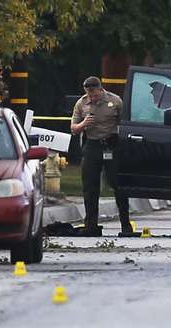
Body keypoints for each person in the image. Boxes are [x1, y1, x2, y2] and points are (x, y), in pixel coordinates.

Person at [70, 76, 131, 236]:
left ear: (100, 89)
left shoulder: (115, 101)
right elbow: (73, 128)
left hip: (111, 144)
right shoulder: (81, 103)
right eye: (89, 95)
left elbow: (125, 123)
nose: (92, 98)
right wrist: (83, 124)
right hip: (92, 145)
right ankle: (91, 226)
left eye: (95, 94)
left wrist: (118, 137)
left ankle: (126, 225)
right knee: (90, 187)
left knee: (118, 184)